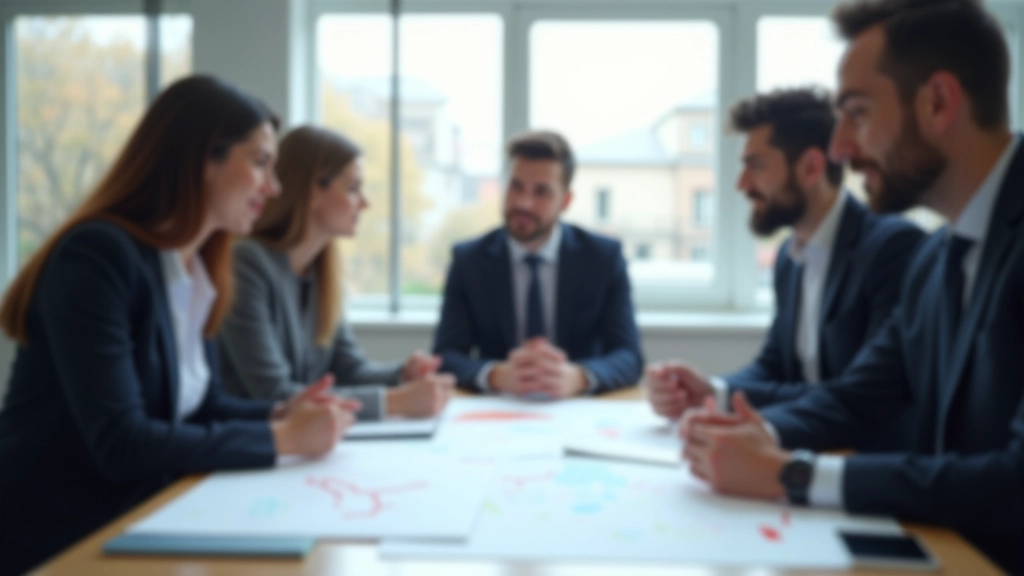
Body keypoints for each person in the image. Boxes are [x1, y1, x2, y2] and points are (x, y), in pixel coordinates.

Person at [679, 0, 1024, 571]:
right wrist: (749, 435)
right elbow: (858, 396)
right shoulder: (936, 256)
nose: (839, 147)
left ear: (938, 102)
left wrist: (792, 473)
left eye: (858, 114)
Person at [0, 76, 357, 576]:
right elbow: (123, 442)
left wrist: (280, 413)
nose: (274, 188)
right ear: (200, 160)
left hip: (143, 519)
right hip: (63, 539)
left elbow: (198, 406)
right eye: (260, 163)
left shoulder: (192, 267)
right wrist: (283, 439)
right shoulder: (98, 257)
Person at [648, 88, 923, 450]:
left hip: (858, 459)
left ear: (811, 167)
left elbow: (860, 394)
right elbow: (773, 365)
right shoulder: (787, 257)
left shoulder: (892, 248)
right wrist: (712, 390)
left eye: (757, 165)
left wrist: (749, 425)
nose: (742, 184)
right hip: (802, 449)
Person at [218, 125, 454, 420]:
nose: (364, 203)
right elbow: (274, 393)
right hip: (252, 441)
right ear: (313, 192)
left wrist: (402, 374)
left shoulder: (320, 272)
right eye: (353, 189)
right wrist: (393, 401)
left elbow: (350, 369)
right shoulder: (246, 264)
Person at [433, 130, 643, 398]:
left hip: (577, 406)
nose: (523, 203)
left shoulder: (603, 258)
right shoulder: (469, 260)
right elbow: (445, 355)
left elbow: (629, 356)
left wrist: (578, 377)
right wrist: (496, 374)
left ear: (565, 201)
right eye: (516, 186)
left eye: (541, 191)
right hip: (499, 407)